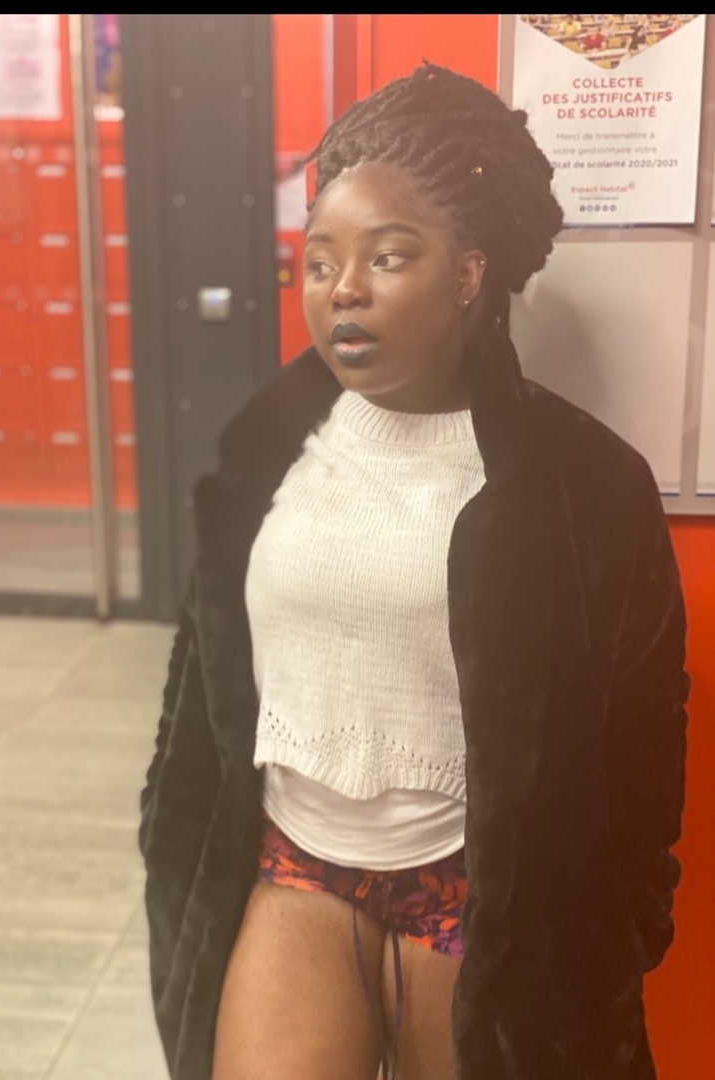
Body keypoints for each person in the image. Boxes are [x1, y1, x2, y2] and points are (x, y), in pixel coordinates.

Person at [139, 63, 689, 1080]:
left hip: (480, 896)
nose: (342, 289)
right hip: (294, 869)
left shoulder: (583, 481)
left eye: (386, 257)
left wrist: (619, 929)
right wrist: (165, 849)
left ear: (469, 272)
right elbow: (196, 692)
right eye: (319, 261)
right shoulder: (260, 452)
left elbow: (641, 731)